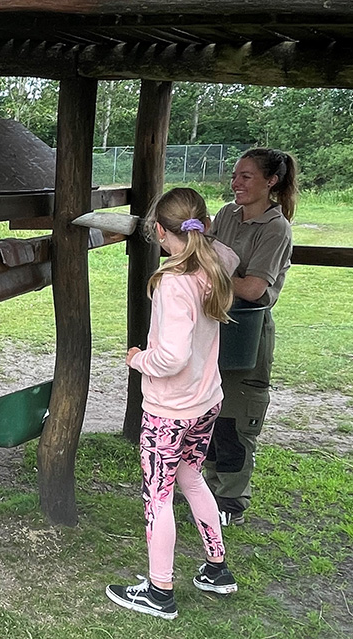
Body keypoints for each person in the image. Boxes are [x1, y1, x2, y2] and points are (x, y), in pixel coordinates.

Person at [106, 188, 240, 620]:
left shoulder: (173, 282)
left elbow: (171, 357)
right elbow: (225, 251)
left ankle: (159, 591)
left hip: (169, 411)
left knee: (158, 498)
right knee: (192, 478)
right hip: (206, 401)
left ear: (160, 232)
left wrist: (138, 359)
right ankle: (216, 569)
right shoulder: (216, 262)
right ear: (204, 225)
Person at [204, 148, 297, 526]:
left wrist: (211, 271)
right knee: (208, 411)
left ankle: (230, 503)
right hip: (214, 322)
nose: (235, 183)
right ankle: (206, 493)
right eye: (234, 175)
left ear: (271, 181)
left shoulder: (276, 228)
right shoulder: (227, 214)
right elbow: (203, 256)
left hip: (247, 328)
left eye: (246, 176)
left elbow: (254, 289)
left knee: (235, 417)